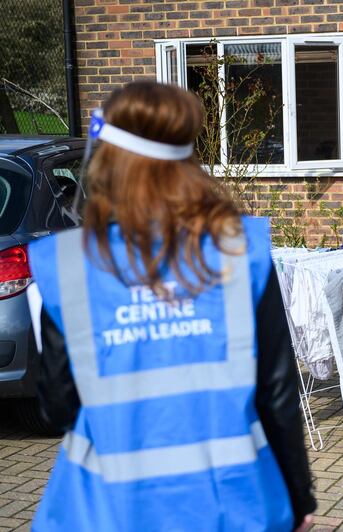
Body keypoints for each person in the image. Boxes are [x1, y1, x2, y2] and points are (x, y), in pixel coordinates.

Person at [28, 81, 316, 531]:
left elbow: (57, 409)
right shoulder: (238, 251)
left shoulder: (69, 265)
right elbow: (278, 396)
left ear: (105, 162)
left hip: (109, 512)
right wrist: (299, 500)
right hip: (232, 506)